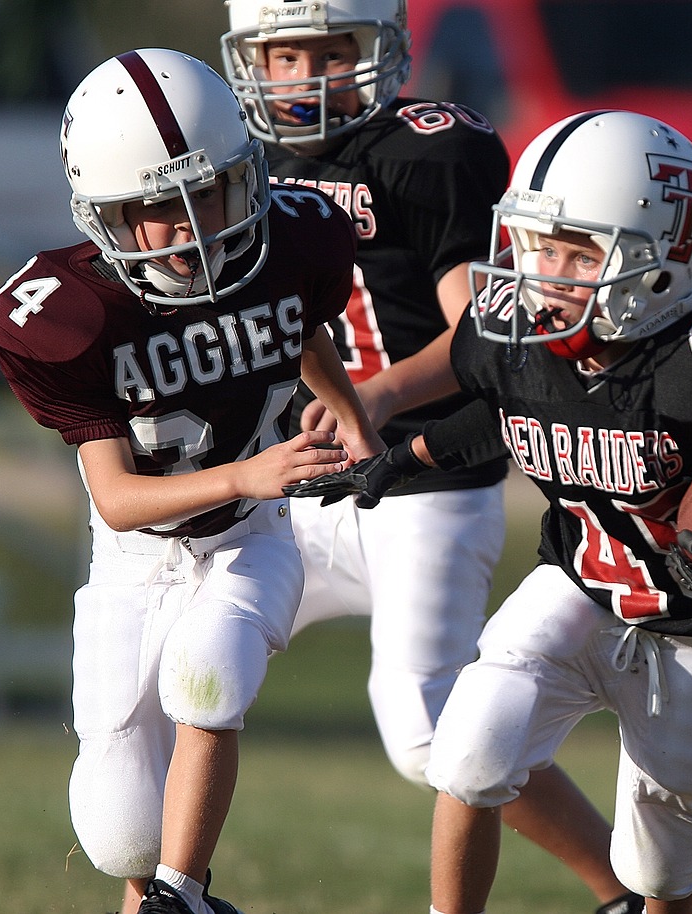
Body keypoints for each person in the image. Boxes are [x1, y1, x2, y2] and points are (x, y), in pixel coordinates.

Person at [286, 110, 692, 914]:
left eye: (576, 250)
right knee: (468, 749)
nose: (544, 273)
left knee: (659, 861)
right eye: (536, 245)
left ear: (665, 258)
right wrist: (399, 459)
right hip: (580, 576)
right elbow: (508, 411)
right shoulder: (523, 336)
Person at [218, 3, 650, 912]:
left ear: (379, 46)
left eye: (330, 51)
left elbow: (481, 333)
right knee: (186, 643)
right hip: (305, 474)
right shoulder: (240, 164)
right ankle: (163, 885)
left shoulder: (425, 150)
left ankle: (636, 892)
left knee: (423, 731)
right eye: (285, 53)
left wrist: (371, 397)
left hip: (421, 476)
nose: (305, 75)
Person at [0, 48, 385, 914]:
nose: (194, 225)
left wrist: (345, 409)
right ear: (102, 215)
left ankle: (182, 893)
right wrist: (255, 466)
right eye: (159, 207)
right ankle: (163, 888)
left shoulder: (296, 240)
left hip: (250, 532)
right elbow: (118, 499)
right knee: (119, 829)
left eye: (209, 191)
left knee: (210, 671)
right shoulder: (74, 315)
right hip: (137, 552)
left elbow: (300, 324)